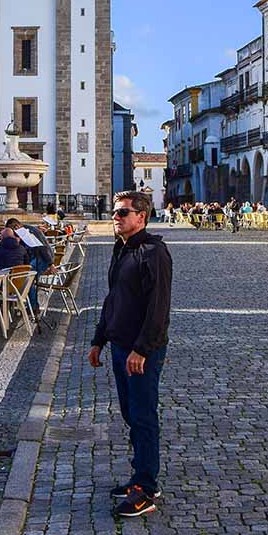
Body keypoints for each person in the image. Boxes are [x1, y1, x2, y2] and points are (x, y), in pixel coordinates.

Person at [88, 190, 172, 518]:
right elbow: (114, 299)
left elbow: (158, 308)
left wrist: (141, 349)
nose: (116, 217)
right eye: (115, 212)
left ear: (141, 217)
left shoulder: (154, 252)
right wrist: (98, 340)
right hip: (121, 346)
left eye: (123, 213)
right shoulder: (121, 249)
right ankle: (141, 474)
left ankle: (146, 489)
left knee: (143, 415)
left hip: (141, 351)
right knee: (129, 413)